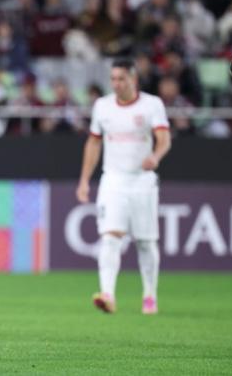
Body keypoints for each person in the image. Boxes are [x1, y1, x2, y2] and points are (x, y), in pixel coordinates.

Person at [76, 58, 171, 315]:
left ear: (133, 79)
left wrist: (155, 156)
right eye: (113, 79)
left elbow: (164, 139)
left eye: (121, 79)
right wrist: (84, 180)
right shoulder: (102, 106)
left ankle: (149, 296)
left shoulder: (152, 105)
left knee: (145, 242)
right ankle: (107, 294)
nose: (116, 84)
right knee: (110, 238)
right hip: (113, 180)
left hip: (142, 181)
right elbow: (93, 143)